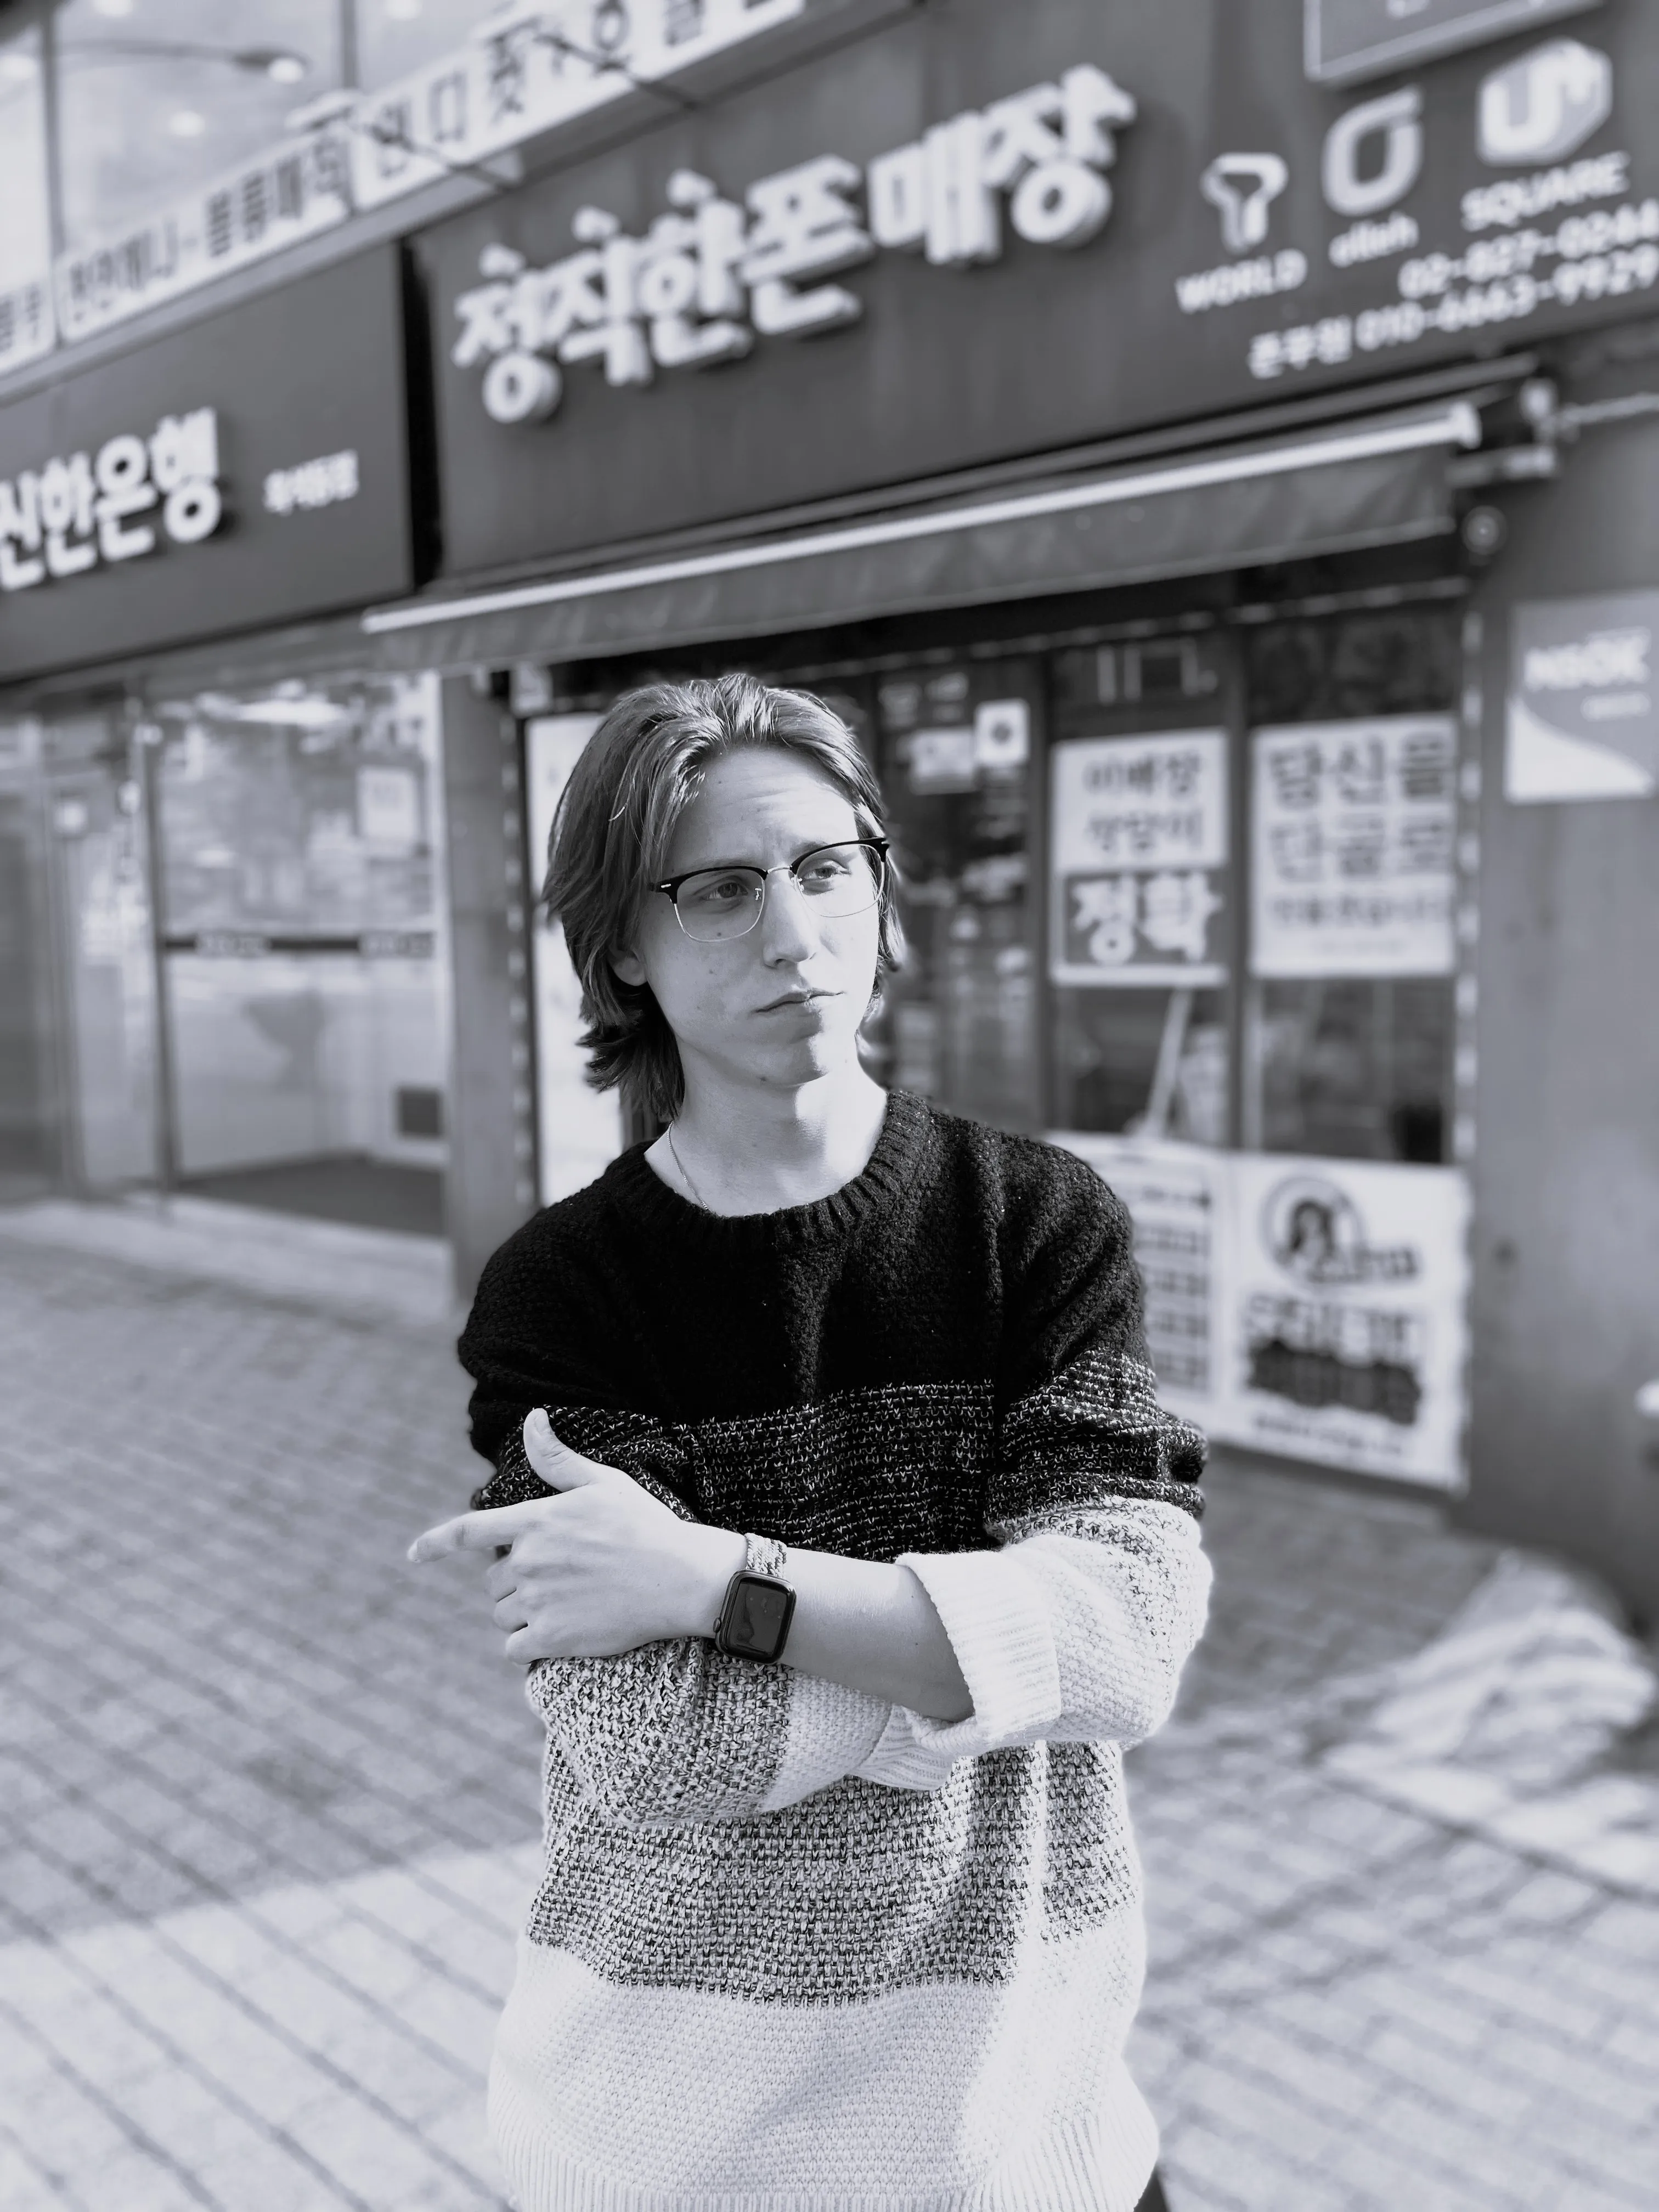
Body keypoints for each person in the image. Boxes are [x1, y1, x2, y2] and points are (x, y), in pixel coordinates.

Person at [409, 673, 1209, 2212]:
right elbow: (661, 1747)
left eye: (826, 867)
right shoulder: (565, 1294)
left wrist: (713, 1582)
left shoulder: (1032, 1225)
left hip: (1026, 2138)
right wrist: (990, 1664)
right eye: (720, 890)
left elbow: (1130, 1649)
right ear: (623, 949)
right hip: (674, 2144)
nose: (794, 934)